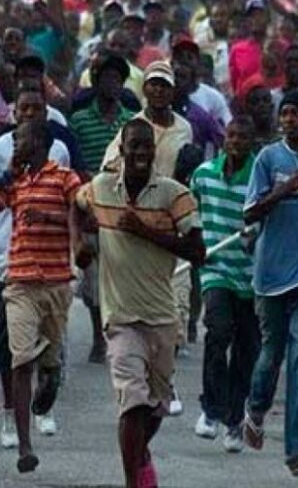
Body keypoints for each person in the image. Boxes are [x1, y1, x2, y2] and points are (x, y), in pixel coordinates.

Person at [73, 118, 204, 488]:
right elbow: (76, 205)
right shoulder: (100, 188)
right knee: (132, 402)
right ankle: (134, 480)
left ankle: (139, 458)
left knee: (155, 409)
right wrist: (77, 243)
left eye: (148, 145)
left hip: (161, 316)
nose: (142, 152)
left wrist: (145, 231)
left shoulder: (175, 195)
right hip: (120, 318)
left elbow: (198, 251)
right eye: (135, 146)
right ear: (122, 149)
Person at [0, 86, 72, 447]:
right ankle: (12, 418)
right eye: (24, 109)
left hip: (52, 267)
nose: (30, 114)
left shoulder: (59, 153)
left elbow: (75, 210)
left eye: (37, 109)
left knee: (47, 349)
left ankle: (45, 401)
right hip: (8, 264)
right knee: (12, 347)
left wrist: (63, 230)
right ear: (13, 113)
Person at [0, 121, 81, 474]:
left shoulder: (65, 179)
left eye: (25, 139)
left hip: (56, 283)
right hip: (19, 282)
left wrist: (48, 216)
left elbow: (83, 219)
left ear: (43, 144)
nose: (17, 144)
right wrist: (5, 177)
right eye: (16, 139)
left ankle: (51, 375)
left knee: (48, 364)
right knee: (19, 360)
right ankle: (25, 445)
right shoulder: (14, 181)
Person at [241, 90, 298, 477]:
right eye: (285, 113)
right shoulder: (267, 158)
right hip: (269, 275)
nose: (289, 119)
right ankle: (255, 410)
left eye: (295, 113)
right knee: (270, 354)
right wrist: (285, 189)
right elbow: (250, 212)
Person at [190, 116, 259, 453]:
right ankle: (211, 409)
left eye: (243, 137)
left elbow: (267, 223)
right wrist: (194, 244)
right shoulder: (203, 175)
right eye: (231, 135)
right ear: (223, 139)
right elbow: (190, 212)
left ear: (252, 142)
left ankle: (234, 419)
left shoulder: (260, 181)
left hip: (252, 276)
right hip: (215, 270)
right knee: (217, 333)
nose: (236, 141)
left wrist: (255, 235)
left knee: (247, 348)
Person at [102, 61, 193, 178]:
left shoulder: (184, 128)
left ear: (173, 92)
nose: (159, 90)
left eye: (164, 85)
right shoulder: (133, 126)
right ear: (144, 89)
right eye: (154, 85)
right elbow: (109, 165)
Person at [230, 0, 270, 98]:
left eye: (260, 14)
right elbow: (235, 85)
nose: (255, 19)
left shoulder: (278, 47)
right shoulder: (237, 50)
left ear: (268, 18)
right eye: (251, 16)